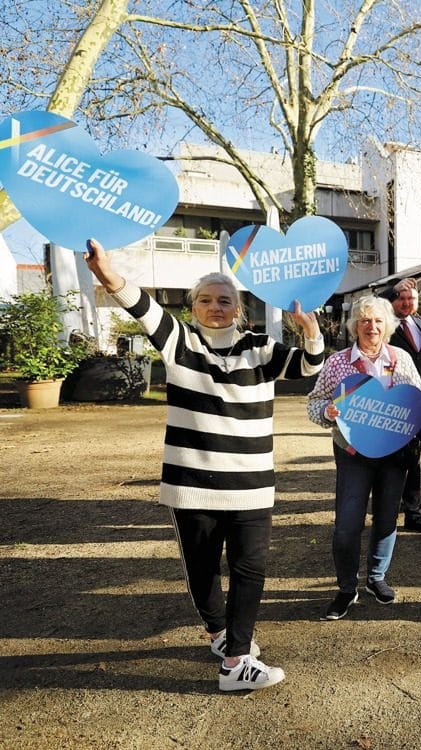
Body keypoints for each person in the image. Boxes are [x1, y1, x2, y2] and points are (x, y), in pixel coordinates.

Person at [83, 238, 324, 692]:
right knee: (202, 567)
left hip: (251, 486)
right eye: (206, 300)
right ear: (193, 306)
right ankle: (219, 634)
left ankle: (236, 660)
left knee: (250, 567)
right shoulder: (179, 341)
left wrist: (309, 331)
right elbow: (140, 305)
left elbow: (309, 368)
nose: (216, 307)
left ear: (239, 308)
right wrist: (106, 273)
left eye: (225, 300)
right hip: (193, 484)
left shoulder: (261, 348)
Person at [306, 296, 421, 621]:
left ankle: (376, 578)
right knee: (347, 525)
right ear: (355, 326)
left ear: (386, 326)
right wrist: (326, 412)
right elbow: (313, 402)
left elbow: (419, 398)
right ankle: (347, 588)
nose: (371, 327)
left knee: (387, 518)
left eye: (377, 321)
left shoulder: (400, 359)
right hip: (353, 454)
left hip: (393, 454)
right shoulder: (338, 363)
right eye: (364, 321)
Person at [383, 278, 421, 532]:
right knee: (391, 457)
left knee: (412, 456)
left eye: (411, 298)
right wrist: (394, 286)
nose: (407, 303)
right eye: (401, 297)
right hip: (395, 403)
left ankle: (412, 511)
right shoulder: (384, 325)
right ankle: (393, 508)